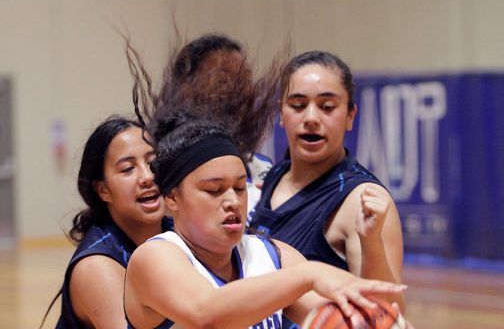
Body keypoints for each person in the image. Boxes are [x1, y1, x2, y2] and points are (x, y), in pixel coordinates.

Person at [123, 116, 406, 328]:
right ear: (172, 198)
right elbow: (205, 313)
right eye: (214, 190)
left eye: (239, 187)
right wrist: (309, 275)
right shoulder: (155, 256)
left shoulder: (273, 255)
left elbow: (365, 321)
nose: (232, 200)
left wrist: (372, 246)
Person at [249, 51, 405, 310]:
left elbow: (389, 314)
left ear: (350, 116)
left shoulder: (361, 199)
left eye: (327, 107)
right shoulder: (274, 176)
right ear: (281, 114)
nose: (311, 118)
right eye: (298, 105)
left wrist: (372, 243)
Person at [43, 116, 171, 329]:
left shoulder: (176, 233)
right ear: (103, 190)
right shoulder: (95, 267)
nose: (147, 176)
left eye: (152, 163)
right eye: (128, 168)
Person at [148, 33, 279, 216]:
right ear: (185, 87)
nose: (239, 90)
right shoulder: (157, 162)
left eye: (245, 80)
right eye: (223, 80)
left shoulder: (262, 167)